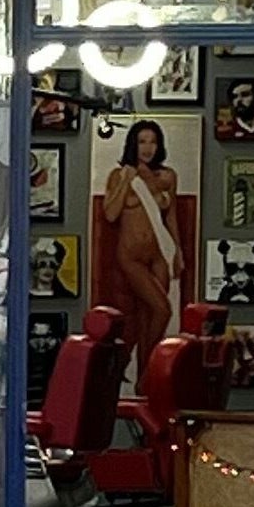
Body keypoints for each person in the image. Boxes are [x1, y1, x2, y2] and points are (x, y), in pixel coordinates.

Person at [98, 119, 179, 378]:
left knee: (150, 318)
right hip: (131, 256)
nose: (148, 147)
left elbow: (171, 216)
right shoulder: (119, 175)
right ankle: (145, 374)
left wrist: (178, 252)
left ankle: (145, 381)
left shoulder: (167, 177)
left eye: (153, 142)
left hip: (159, 253)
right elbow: (111, 214)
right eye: (142, 141)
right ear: (133, 144)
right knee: (162, 310)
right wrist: (127, 180)